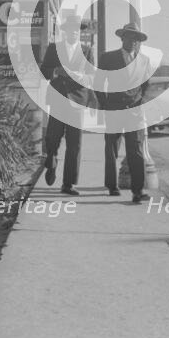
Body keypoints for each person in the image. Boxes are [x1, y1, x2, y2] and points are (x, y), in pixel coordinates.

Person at [96, 22, 153, 204]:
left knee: (135, 150)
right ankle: (112, 185)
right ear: (122, 38)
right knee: (112, 149)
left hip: (134, 112)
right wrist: (105, 104)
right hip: (113, 109)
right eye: (130, 37)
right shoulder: (107, 58)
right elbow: (98, 83)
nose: (133, 41)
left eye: (137, 39)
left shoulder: (144, 61)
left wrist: (138, 101)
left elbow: (146, 85)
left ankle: (139, 190)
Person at [40, 15, 94, 196]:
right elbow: (44, 72)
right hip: (57, 99)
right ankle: (52, 159)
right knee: (53, 138)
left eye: (77, 30)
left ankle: (68, 184)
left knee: (75, 144)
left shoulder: (87, 51)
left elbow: (92, 77)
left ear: (80, 32)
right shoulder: (54, 48)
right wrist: (56, 71)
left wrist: (81, 77)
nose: (73, 32)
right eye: (70, 29)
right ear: (65, 32)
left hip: (78, 101)